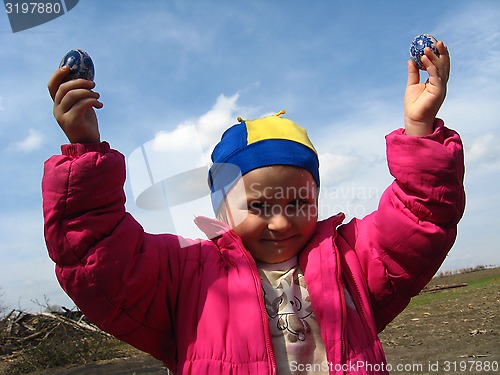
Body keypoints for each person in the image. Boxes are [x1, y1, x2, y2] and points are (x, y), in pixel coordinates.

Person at [43, 40, 465, 374]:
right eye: (259, 205)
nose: (281, 221)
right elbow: (96, 252)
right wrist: (84, 150)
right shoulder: (187, 275)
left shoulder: (350, 261)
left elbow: (421, 214)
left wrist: (420, 129)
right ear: (221, 209)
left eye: (299, 202)